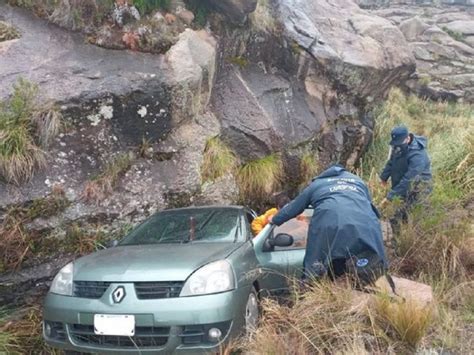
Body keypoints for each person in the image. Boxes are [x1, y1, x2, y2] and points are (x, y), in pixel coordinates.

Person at [270, 164, 387, 284]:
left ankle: (310, 283)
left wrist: (274, 220)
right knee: (367, 258)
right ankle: (363, 283)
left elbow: (293, 208)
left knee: (318, 261)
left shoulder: (317, 184)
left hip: (330, 223)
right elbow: (368, 204)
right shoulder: (358, 181)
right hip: (366, 223)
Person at [380, 126, 432, 223]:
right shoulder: (399, 146)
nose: (397, 146)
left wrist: (390, 197)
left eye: (399, 143)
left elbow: (409, 179)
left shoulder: (418, 155)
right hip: (403, 186)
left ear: (408, 138)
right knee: (397, 213)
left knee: (409, 216)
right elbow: (391, 161)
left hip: (418, 189)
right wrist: (384, 177)